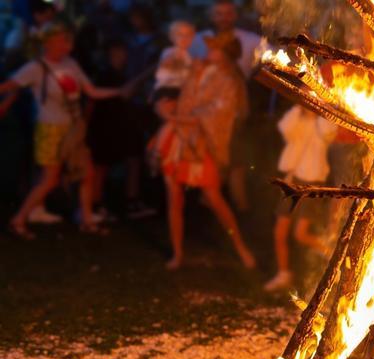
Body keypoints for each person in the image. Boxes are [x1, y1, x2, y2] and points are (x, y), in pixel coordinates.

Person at [0, 20, 128, 238]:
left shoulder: (71, 64)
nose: (68, 47)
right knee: (50, 180)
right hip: (50, 129)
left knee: (86, 173)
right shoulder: (35, 68)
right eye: (63, 42)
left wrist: (118, 91)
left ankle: (87, 220)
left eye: (68, 42)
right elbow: (8, 86)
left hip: (73, 129)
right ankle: (18, 219)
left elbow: (91, 91)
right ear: (49, 43)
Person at [153, 31, 253, 270]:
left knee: (213, 197)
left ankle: (241, 247)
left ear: (227, 54)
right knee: (174, 197)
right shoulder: (197, 69)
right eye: (210, 47)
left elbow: (217, 115)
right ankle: (177, 253)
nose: (209, 51)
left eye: (215, 48)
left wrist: (178, 117)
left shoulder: (229, 80)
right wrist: (165, 106)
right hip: (179, 139)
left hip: (201, 144)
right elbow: (178, 92)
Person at [190, 0, 262, 212]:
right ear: (212, 16)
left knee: (236, 162)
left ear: (234, 15)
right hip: (207, 110)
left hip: (237, 109)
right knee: (211, 159)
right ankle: (210, 207)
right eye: (218, 13)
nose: (223, 18)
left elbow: (270, 65)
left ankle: (240, 209)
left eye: (228, 13)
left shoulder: (251, 41)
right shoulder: (198, 40)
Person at [264, 105, 337, 291]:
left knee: (301, 234)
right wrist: (299, 107)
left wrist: (319, 109)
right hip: (292, 180)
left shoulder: (324, 123)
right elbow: (285, 128)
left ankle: (333, 254)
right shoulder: (297, 118)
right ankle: (283, 274)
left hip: (312, 184)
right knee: (279, 231)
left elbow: (329, 132)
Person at [85, 39, 142, 219]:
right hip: (102, 125)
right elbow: (93, 100)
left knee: (105, 166)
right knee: (99, 167)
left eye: (123, 52)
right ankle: (94, 204)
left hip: (112, 124)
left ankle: (98, 203)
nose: (122, 56)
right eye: (118, 52)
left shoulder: (119, 73)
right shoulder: (105, 74)